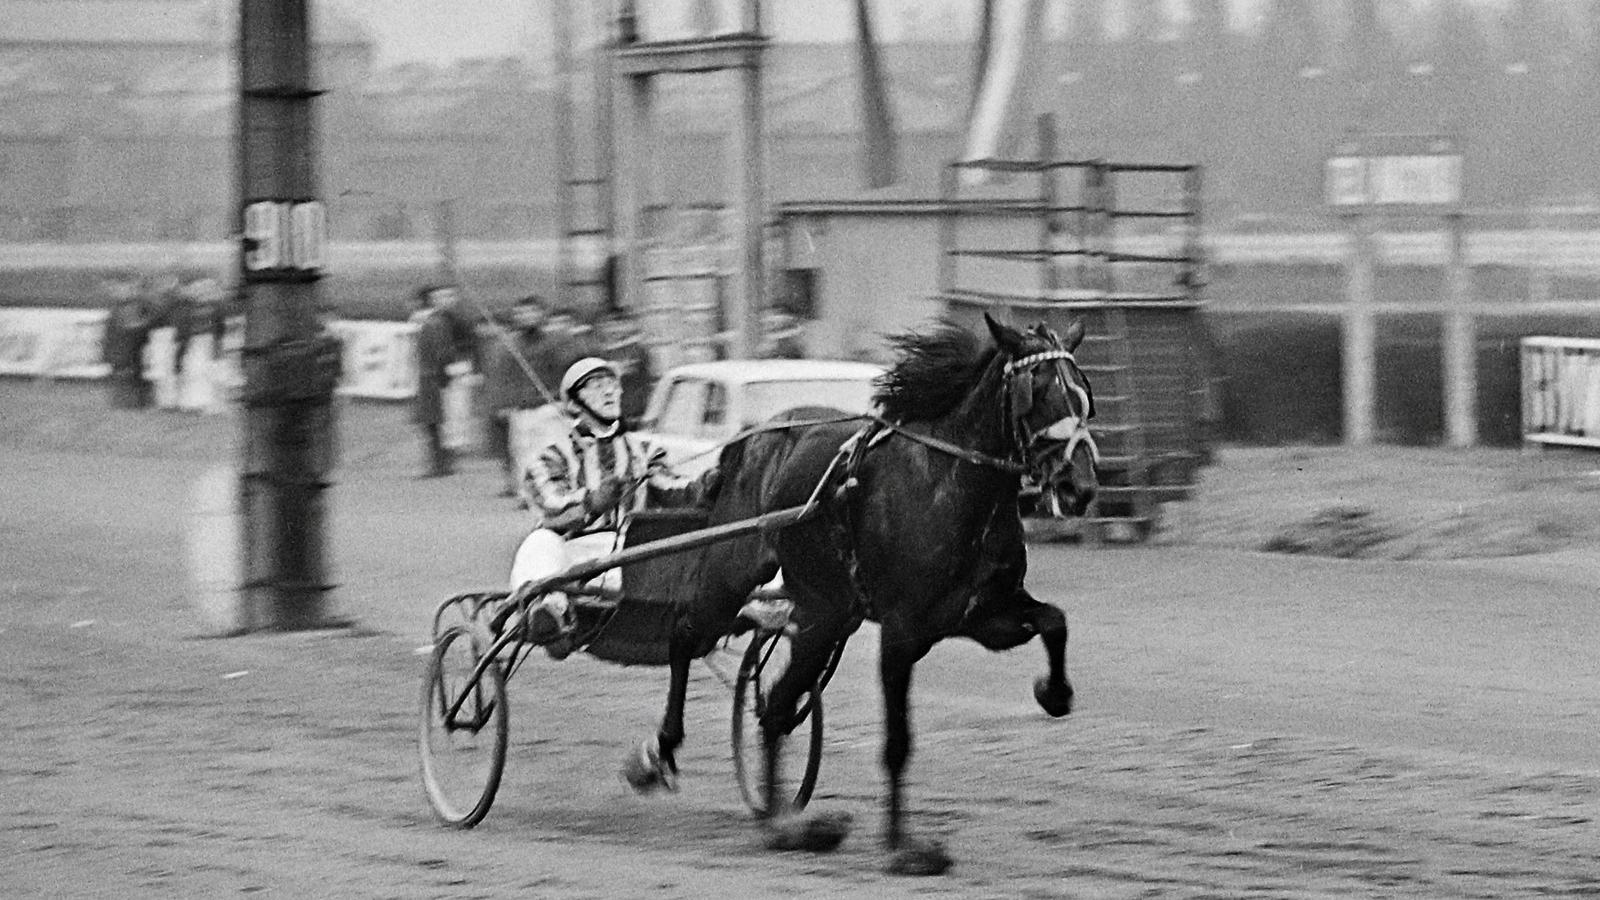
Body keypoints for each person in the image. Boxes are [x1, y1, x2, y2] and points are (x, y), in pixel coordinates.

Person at [500, 357, 699, 656]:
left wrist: (707, 485)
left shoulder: (645, 452)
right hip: (570, 559)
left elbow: (673, 488)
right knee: (538, 542)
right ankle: (550, 615)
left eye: (612, 385)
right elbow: (550, 505)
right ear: (575, 404)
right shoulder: (551, 456)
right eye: (596, 386)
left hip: (629, 557)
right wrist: (591, 501)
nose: (609, 392)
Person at [482, 294, 554, 498]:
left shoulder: (553, 342)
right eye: (522, 313)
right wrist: (502, 404)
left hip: (546, 405)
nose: (527, 316)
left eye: (532, 311)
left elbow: (560, 371)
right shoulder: (509, 345)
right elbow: (503, 377)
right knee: (521, 451)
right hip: (520, 407)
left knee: (547, 451)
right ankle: (527, 493)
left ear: (541, 314)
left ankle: (549, 490)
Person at [410, 284, 464, 477]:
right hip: (429, 377)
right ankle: (439, 462)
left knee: (435, 422)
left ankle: (440, 464)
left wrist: (442, 377)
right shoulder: (434, 321)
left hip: (432, 378)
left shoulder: (436, 323)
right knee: (432, 422)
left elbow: (444, 353)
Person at [100, 271, 153, 409]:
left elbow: (137, 326)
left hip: (131, 348)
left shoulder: (136, 305)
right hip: (120, 348)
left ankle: (134, 403)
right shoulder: (118, 307)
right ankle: (123, 402)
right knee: (122, 375)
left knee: (132, 375)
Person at [597, 310, 654, 428]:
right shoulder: (605, 351)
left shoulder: (635, 349)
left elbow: (631, 372)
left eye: (615, 325)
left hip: (633, 410)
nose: (612, 330)